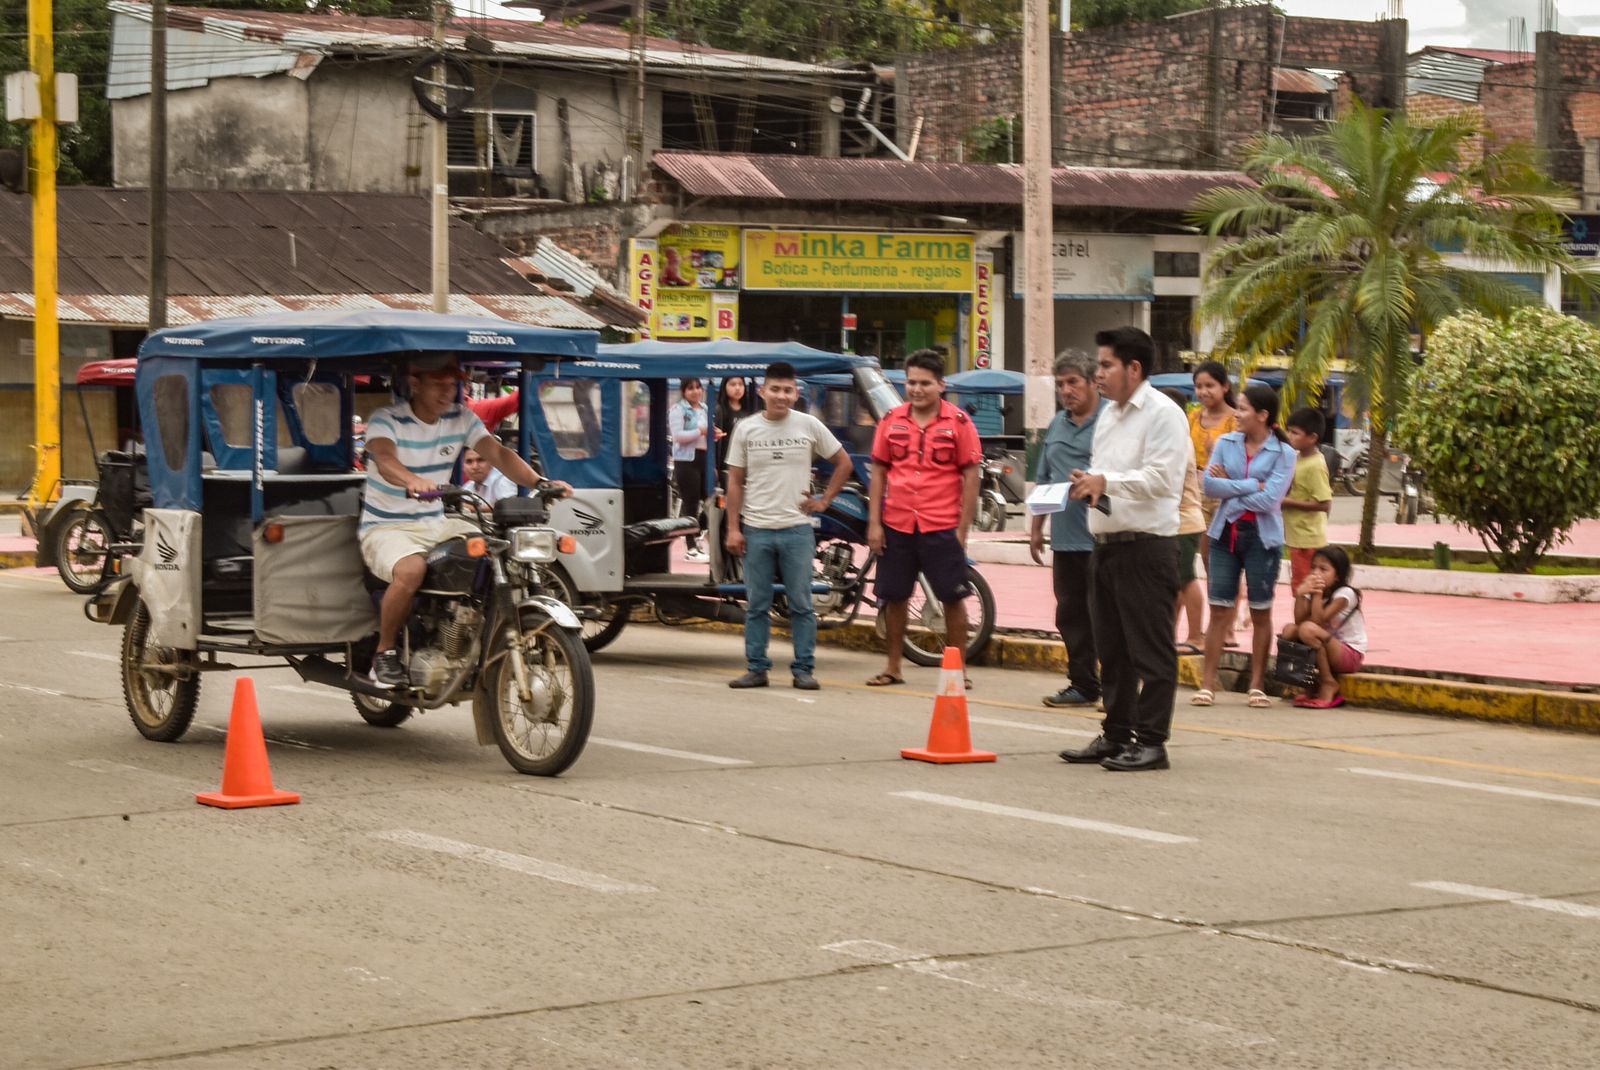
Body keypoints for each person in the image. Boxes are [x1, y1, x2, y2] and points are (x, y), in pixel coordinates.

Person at [360, 353, 565, 688]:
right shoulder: (388, 418)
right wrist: (411, 480)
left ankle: (475, 631)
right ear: (415, 383)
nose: (447, 391)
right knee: (412, 570)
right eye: (438, 384)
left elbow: (498, 454)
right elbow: (384, 458)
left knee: (501, 546)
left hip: (437, 521)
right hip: (388, 526)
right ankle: (384, 654)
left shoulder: (461, 417)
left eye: (452, 384)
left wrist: (539, 483)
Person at [1058, 327, 1188, 772]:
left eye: (1107, 365)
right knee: (1110, 649)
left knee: (1149, 650)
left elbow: (1162, 479)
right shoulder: (1110, 415)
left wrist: (1106, 482)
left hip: (1147, 549)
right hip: (1106, 544)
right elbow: (1109, 475)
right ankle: (1117, 734)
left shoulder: (1163, 413)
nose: (1098, 373)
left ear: (1134, 369)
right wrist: (1092, 485)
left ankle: (1152, 742)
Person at [725, 361, 855, 691]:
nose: (781, 396)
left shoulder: (809, 426)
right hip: (756, 529)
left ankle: (804, 669)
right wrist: (733, 529)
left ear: (796, 394)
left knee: (801, 604)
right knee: (756, 605)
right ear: (763, 392)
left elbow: (844, 462)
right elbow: (735, 482)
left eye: (787, 390)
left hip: (798, 529)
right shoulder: (746, 428)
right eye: (775, 390)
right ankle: (756, 668)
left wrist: (824, 501)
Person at [865, 349, 984, 689]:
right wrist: (875, 524)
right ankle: (893, 668)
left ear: (941, 385)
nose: (916, 389)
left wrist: (963, 529)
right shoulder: (891, 420)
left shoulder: (959, 423)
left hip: (941, 524)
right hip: (898, 523)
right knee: (894, 596)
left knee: (952, 597)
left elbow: (971, 477)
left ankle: (957, 670)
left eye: (925, 383)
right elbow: (878, 473)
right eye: (911, 382)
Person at [1194, 384, 1296, 709]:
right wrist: (1252, 484)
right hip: (1224, 534)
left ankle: (1256, 686)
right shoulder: (1226, 443)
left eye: (1243, 409)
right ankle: (1207, 684)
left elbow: (1271, 501)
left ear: (1263, 415)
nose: (1237, 414)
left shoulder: (1285, 453)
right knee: (1220, 610)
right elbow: (1210, 485)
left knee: (1260, 611)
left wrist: (1232, 488)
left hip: (1263, 540)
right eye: (1237, 407)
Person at [1029, 350, 1106, 708]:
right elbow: (1044, 479)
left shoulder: (1111, 420)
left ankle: (1118, 686)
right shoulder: (1058, 424)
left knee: (1107, 615)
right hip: (1065, 541)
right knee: (1070, 615)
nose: (1066, 390)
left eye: (1073, 382)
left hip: (1103, 538)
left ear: (1093, 383)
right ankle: (1083, 684)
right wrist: (1035, 529)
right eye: (1061, 384)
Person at [1190, 361, 1242, 647]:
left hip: (1226, 495)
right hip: (1196, 494)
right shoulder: (1193, 418)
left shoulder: (1236, 420)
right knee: (1208, 561)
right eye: (1199, 386)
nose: (1203, 391)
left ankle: (1227, 627)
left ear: (1225, 387)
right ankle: (1220, 623)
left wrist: (1218, 457)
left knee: (1223, 563)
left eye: (1210, 385)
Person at [1280, 546, 1367, 709]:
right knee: (1289, 630)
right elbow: (1298, 620)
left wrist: (1317, 595)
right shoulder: (1314, 590)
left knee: (1308, 629)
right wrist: (1300, 594)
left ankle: (1328, 682)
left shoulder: (1346, 594)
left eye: (1323, 569)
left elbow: (1317, 622)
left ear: (1337, 576)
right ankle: (1311, 683)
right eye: (1313, 568)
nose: (1316, 573)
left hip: (1350, 653)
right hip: (1327, 647)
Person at [1160, 387, 1207, 655]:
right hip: (1179, 521)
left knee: (1186, 579)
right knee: (1177, 581)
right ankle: (1171, 634)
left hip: (1184, 520)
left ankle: (1196, 635)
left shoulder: (1178, 440)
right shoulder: (1177, 437)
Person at [1282, 407, 1334, 592]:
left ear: (1312, 437)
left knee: (1306, 588)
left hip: (1309, 540)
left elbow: (1324, 504)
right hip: (1297, 537)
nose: (1289, 436)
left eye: (1295, 432)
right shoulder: (1296, 457)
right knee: (1299, 585)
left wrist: (1287, 502)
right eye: (1289, 430)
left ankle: (1306, 619)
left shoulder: (1316, 465)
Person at [669, 378, 711, 560]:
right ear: (684, 391)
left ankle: (695, 531)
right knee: (691, 502)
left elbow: (707, 431)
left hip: (705, 458)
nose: (695, 391)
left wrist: (712, 433)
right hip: (686, 460)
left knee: (710, 499)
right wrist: (700, 431)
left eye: (698, 388)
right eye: (690, 388)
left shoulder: (705, 409)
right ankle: (691, 546)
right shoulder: (678, 409)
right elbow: (678, 436)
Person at [715, 376, 761, 478]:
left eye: (740, 384)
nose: (737, 388)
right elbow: (717, 443)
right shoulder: (720, 410)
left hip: (747, 462)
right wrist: (716, 466)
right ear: (724, 387)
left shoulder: (749, 410)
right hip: (727, 464)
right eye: (733, 384)